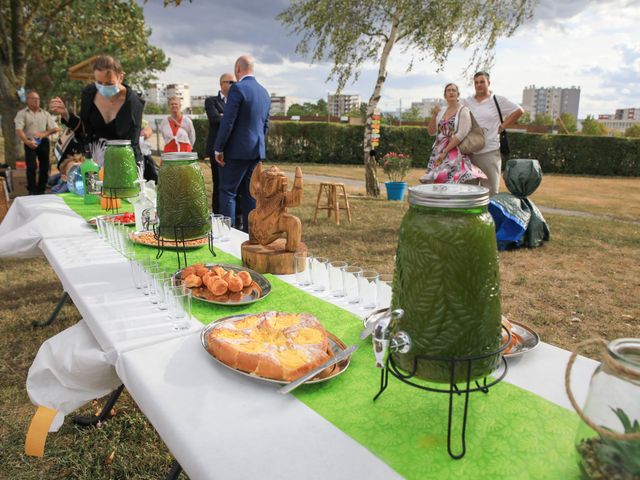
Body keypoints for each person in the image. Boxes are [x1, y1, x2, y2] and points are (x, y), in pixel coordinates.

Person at [49, 55, 149, 178]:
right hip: (93, 164)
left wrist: (132, 173)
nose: (103, 87)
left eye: (109, 83)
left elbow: (132, 144)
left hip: (123, 163)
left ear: (121, 77)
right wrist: (65, 113)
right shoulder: (88, 94)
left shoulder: (134, 103)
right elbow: (84, 131)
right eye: (99, 83)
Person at [214, 55, 270, 233]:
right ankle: (249, 234)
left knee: (228, 192)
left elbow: (228, 121)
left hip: (237, 152)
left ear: (238, 69)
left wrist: (219, 148)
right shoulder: (264, 92)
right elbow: (265, 125)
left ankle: (227, 235)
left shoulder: (238, 89)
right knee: (249, 193)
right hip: (256, 151)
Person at [463, 71, 523, 195]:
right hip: (469, 153)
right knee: (468, 192)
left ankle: (489, 215)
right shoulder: (467, 101)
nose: (479, 85)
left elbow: (519, 110)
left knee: (491, 192)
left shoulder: (497, 100)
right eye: (476, 82)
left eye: (482, 82)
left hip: (489, 152)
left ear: (488, 83)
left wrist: (503, 126)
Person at [421, 83, 487, 185]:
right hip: (438, 151)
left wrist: (445, 151)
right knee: (436, 182)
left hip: (453, 151)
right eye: (448, 90)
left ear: (458, 94)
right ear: (445, 95)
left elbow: (461, 134)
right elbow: (431, 132)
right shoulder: (441, 111)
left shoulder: (463, 110)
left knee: (450, 181)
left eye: (453, 90)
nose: (451, 92)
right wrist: (434, 115)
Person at [14, 90, 60, 194]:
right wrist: (26, 141)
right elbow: (18, 130)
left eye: (38, 99)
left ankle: (41, 189)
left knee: (45, 166)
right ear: (27, 100)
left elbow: (56, 128)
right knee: (31, 166)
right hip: (29, 141)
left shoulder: (45, 113)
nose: (36, 101)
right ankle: (32, 190)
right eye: (33, 99)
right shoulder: (22, 114)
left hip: (43, 142)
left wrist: (44, 134)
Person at [205, 72, 236, 212]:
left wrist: (224, 116)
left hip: (233, 150)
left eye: (235, 82)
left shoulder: (237, 100)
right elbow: (214, 119)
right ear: (222, 84)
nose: (234, 85)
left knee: (234, 185)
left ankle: (236, 217)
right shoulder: (211, 101)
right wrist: (230, 118)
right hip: (217, 149)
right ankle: (216, 214)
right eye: (231, 82)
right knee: (218, 183)